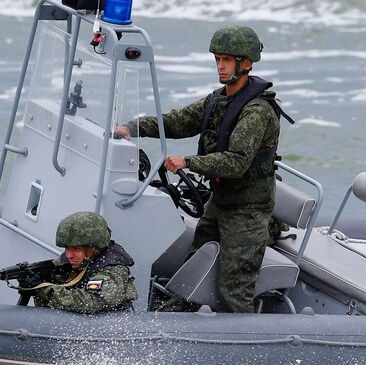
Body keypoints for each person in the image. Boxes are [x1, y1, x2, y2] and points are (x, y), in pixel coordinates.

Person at [114, 25, 285, 313]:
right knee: (194, 266)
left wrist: (189, 162)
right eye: (217, 59)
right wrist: (134, 127)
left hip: (247, 210)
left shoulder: (257, 112)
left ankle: (242, 346)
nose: (220, 66)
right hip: (221, 201)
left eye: (227, 60)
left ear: (246, 64)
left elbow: (236, 161)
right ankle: (185, 324)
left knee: (234, 288)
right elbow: (179, 121)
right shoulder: (219, 100)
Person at [26, 212, 137, 314]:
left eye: (75, 249)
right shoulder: (76, 260)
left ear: (93, 247)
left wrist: (44, 290)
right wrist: (34, 279)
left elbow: (90, 302)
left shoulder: (113, 268)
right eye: (67, 248)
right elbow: (53, 267)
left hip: (108, 327)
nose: (69, 255)